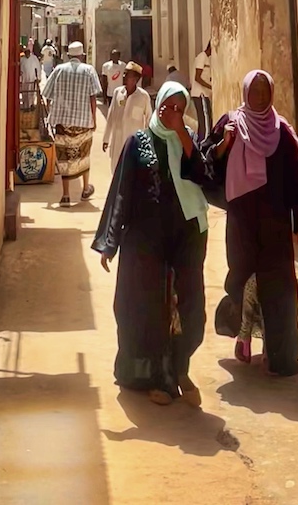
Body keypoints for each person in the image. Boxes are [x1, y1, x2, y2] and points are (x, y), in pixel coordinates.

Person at [92, 80, 215, 407]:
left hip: (186, 238)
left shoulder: (188, 140)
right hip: (146, 242)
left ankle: (180, 369)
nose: (170, 112)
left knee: (188, 308)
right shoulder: (138, 142)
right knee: (148, 309)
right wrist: (110, 241)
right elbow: (122, 192)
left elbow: (203, 176)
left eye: (178, 107)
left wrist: (183, 134)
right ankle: (155, 378)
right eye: (166, 105)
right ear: (157, 103)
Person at [208, 70, 298, 376]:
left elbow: (296, 180)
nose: (262, 97)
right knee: (243, 280)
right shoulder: (230, 124)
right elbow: (206, 163)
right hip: (242, 222)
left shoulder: (282, 132)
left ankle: (280, 352)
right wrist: (225, 145)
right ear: (246, 93)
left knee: (280, 287)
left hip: (276, 224)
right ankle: (242, 335)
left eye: (266, 91)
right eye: (256, 91)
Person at [41, 40, 102, 205]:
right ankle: (85, 189)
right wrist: (94, 120)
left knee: (64, 157)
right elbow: (93, 98)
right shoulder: (89, 70)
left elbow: (46, 94)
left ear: (68, 55)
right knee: (83, 156)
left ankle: (66, 195)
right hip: (83, 122)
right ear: (82, 56)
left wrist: (52, 115)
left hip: (62, 123)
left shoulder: (59, 69)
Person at [103, 61, 151, 170]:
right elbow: (111, 116)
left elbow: (148, 119)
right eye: (124, 73)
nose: (123, 76)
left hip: (133, 143)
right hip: (118, 141)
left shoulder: (143, 97)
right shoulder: (117, 93)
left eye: (127, 74)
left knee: (132, 171)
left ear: (136, 79)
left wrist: (148, 143)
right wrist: (106, 139)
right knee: (115, 169)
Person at [191, 41, 213, 141]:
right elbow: (197, 77)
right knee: (205, 122)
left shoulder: (208, 59)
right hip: (200, 94)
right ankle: (204, 142)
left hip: (204, 94)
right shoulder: (202, 57)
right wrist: (210, 87)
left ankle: (201, 142)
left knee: (206, 121)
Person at [19, 45, 42, 110]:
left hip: (32, 78)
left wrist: (38, 78)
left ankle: (31, 104)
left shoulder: (34, 58)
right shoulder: (22, 59)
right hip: (24, 79)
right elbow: (19, 69)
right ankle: (25, 106)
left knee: (31, 93)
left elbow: (38, 68)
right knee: (25, 93)